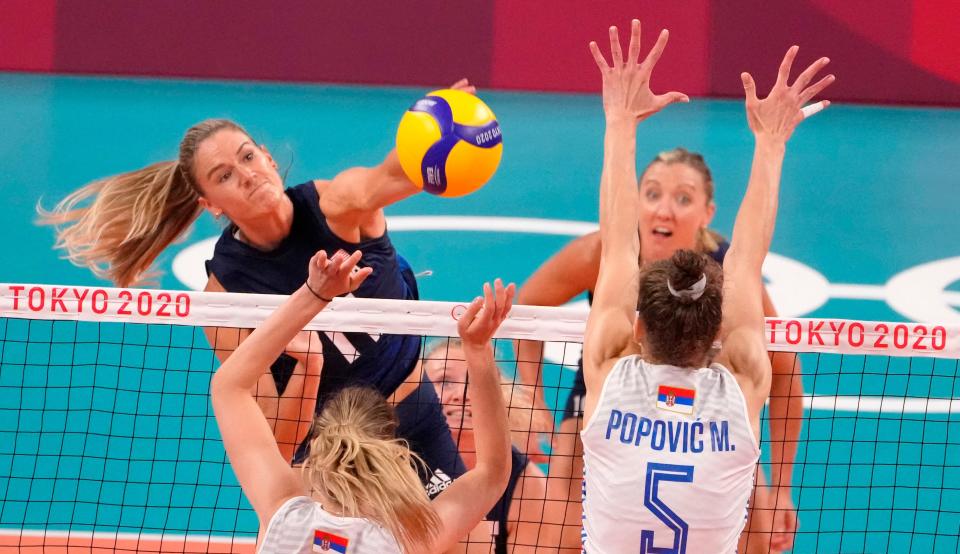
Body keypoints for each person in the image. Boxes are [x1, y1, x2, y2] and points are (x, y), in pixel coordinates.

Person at [38, 81, 475, 489]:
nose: (246, 175)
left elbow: (390, 177)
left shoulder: (337, 207)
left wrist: (439, 130)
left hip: (416, 416)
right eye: (224, 176)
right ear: (210, 205)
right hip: (335, 455)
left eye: (247, 157)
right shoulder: (227, 299)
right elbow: (278, 444)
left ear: (267, 157)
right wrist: (308, 364)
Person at [580, 20, 832, 553]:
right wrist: (770, 144)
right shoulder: (739, 390)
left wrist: (620, 120)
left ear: (639, 327)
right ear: (718, 328)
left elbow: (618, 243)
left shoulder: (608, 377)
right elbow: (745, 257)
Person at [516, 146, 804, 551]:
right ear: (637, 203)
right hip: (609, 392)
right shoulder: (598, 254)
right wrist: (532, 399)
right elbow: (528, 311)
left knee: (754, 516)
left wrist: (782, 486)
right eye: (651, 194)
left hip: (706, 399)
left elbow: (786, 367)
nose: (663, 210)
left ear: (707, 213)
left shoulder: (722, 271)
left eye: (683, 198)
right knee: (559, 522)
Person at [210, 248, 515, 553]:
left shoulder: (284, 519)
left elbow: (229, 387)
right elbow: (493, 473)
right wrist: (477, 349)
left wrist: (314, 293)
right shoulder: (406, 542)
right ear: (396, 453)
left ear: (317, 452)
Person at [423, 340, 570, 553]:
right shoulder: (396, 462)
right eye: (444, 382)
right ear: (420, 393)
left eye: (473, 382)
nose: (461, 395)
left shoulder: (526, 483)